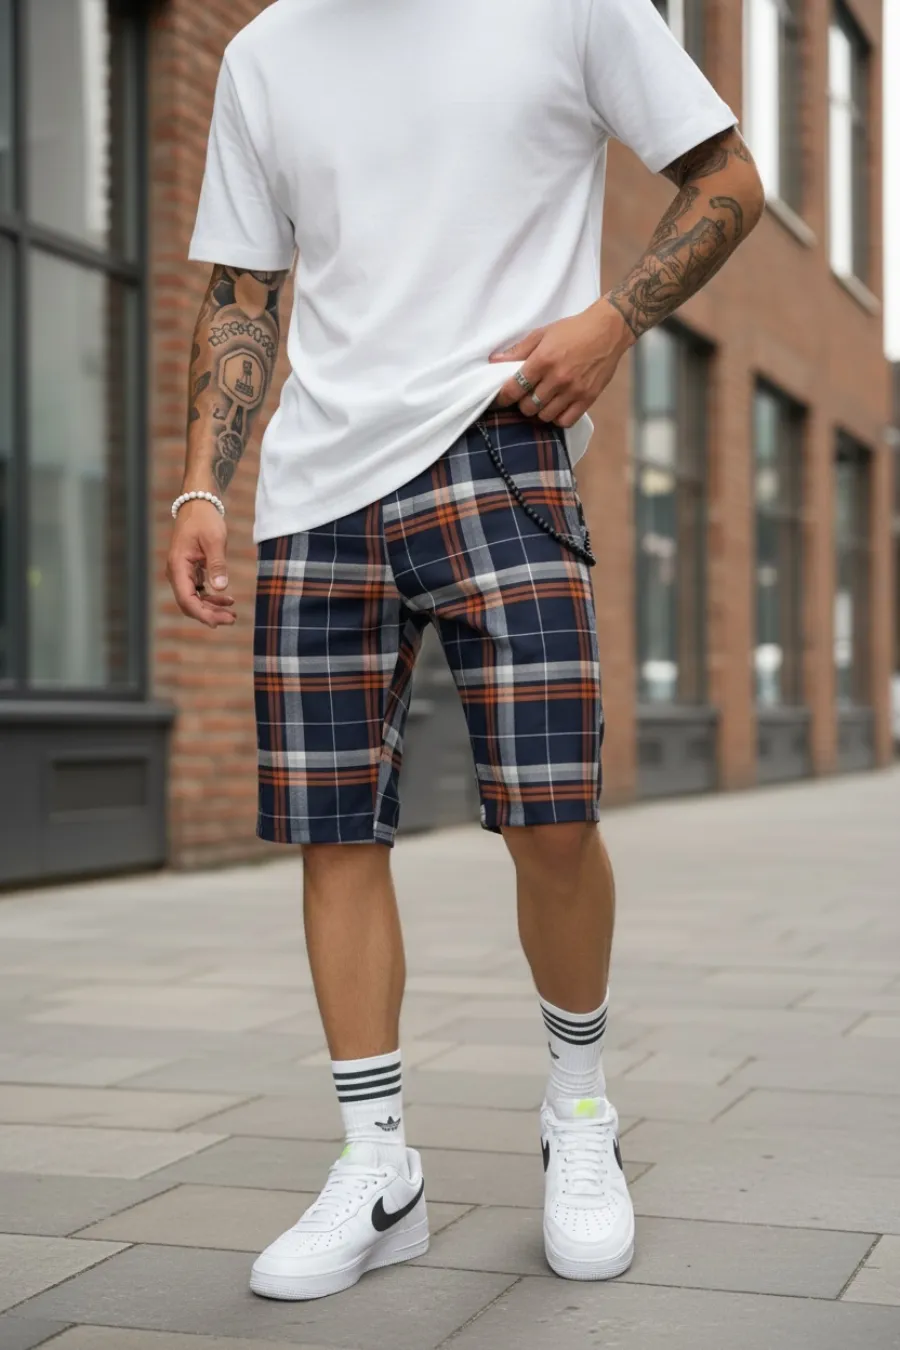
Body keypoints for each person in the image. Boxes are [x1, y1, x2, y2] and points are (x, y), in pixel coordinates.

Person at [167, 0, 763, 1302]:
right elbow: (242, 293)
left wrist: (612, 322)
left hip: (502, 449)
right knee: (332, 829)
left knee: (553, 815)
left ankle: (580, 1112)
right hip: (317, 486)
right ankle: (378, 1165)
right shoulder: (263, 55)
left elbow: (729, 180)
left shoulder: (572, 6)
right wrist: (204, 482)